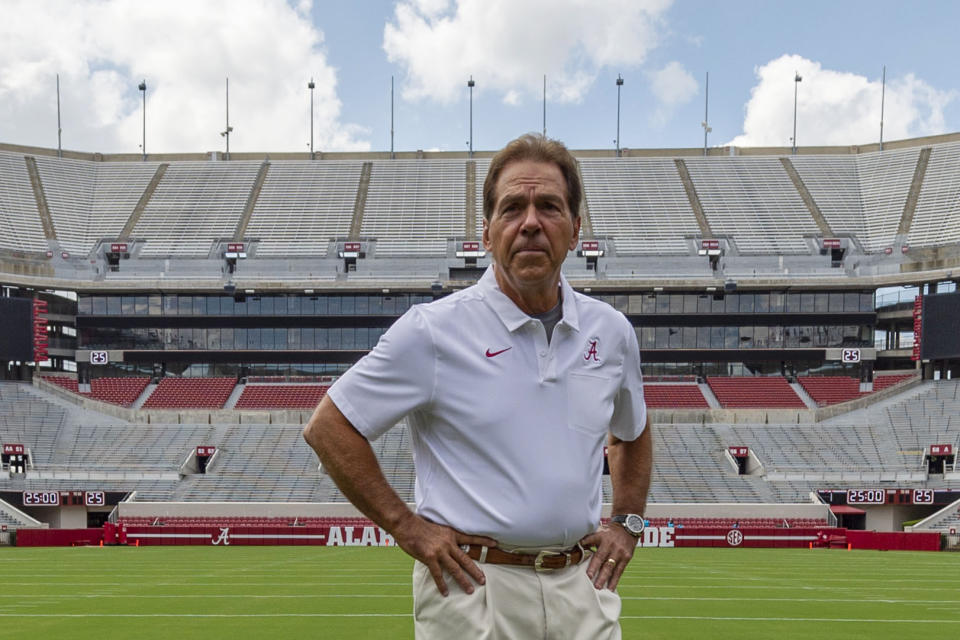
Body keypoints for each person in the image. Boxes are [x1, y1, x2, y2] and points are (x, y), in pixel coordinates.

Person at [303, 133, 653, 639]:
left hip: (581, 586)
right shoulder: (433, 330)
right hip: (472, 588)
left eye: (549, 207)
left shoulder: (611, 332)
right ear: (487, 232)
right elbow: (329, 426)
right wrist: (407, 527)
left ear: (575, 229)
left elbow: (631, 433)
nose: (530, 222)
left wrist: (628, 523)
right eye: (513, 208)